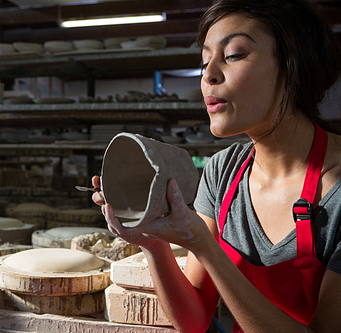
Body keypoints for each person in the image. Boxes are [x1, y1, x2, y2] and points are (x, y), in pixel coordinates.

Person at [92, 0, 341, 332]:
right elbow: (194, 321)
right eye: (205, 59)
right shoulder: (224, 172)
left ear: (294, 68)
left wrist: (204, 246)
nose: (207, 75)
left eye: (234, 55)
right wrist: (153, 245)